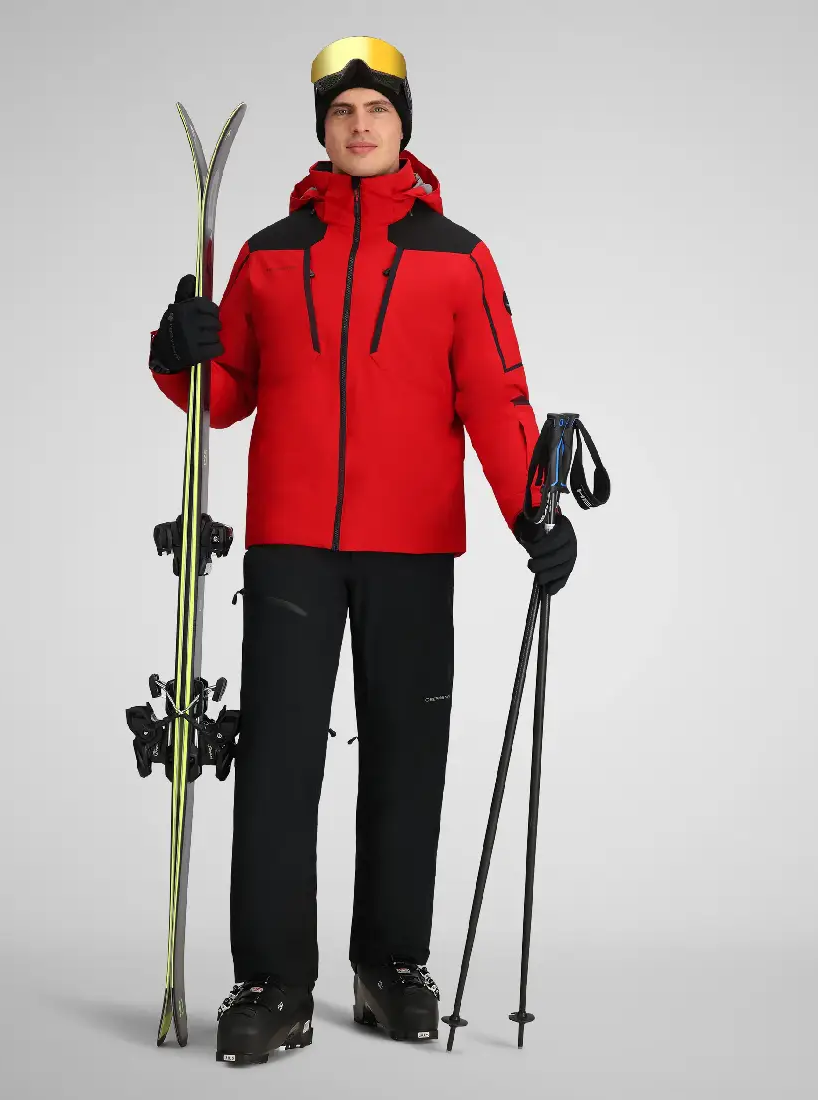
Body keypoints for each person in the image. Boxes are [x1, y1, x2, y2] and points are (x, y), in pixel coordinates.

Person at [147, 35, 578, 1066]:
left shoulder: (457, 256)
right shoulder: (270, 252)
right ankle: (272, 981)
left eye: (376, 109)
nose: (359, 124)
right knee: (277, 760)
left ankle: (390, 964)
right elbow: (227, 395)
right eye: (342, 111)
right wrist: (177, 353)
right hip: (291, 541)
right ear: (324, 130)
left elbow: (497, 396)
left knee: (406, 754)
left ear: (402, 124)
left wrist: (535, 513)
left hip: (414, 546)